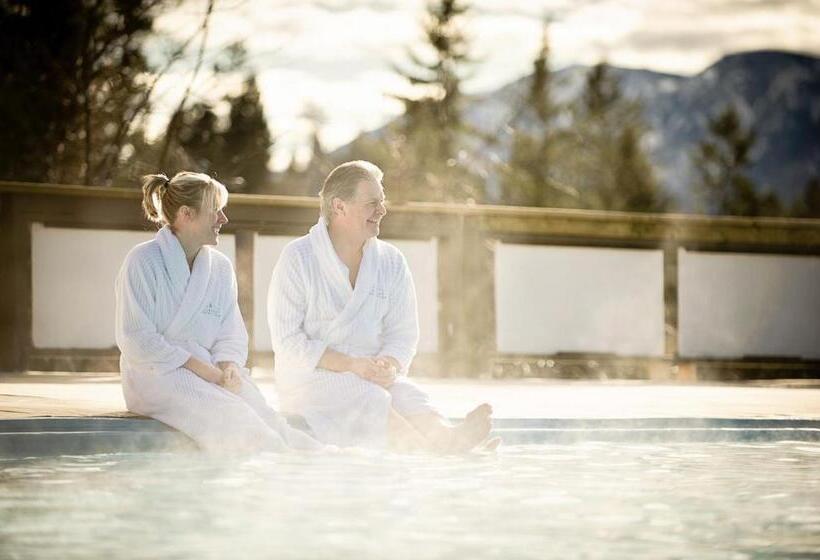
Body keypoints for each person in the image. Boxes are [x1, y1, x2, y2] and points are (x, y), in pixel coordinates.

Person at [267, 160, 495, 452]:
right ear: (339, 207)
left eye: (382, 202)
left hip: (370, 373)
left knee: (408, 395)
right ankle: (433, 455)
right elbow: (288, 343)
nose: (383, 210)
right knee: (370, 398)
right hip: (311, 380)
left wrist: (388, 365)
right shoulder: (298, 258)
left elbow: (403, 333)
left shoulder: (390, 261)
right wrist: (351, 365)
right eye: (372, 203)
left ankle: (447, 439)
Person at [115, 171, 322, 454]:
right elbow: (136, 338)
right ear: (187, 214)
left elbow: (231, 333)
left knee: (266, 416)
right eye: (215, 211)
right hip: (154, 376)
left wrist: (229, 366)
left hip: (211, 370)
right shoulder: (142, 261)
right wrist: (202, 369)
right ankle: (272, 478)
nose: (223, 219)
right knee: (236, 419)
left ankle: (315, 461)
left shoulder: (220, 268)